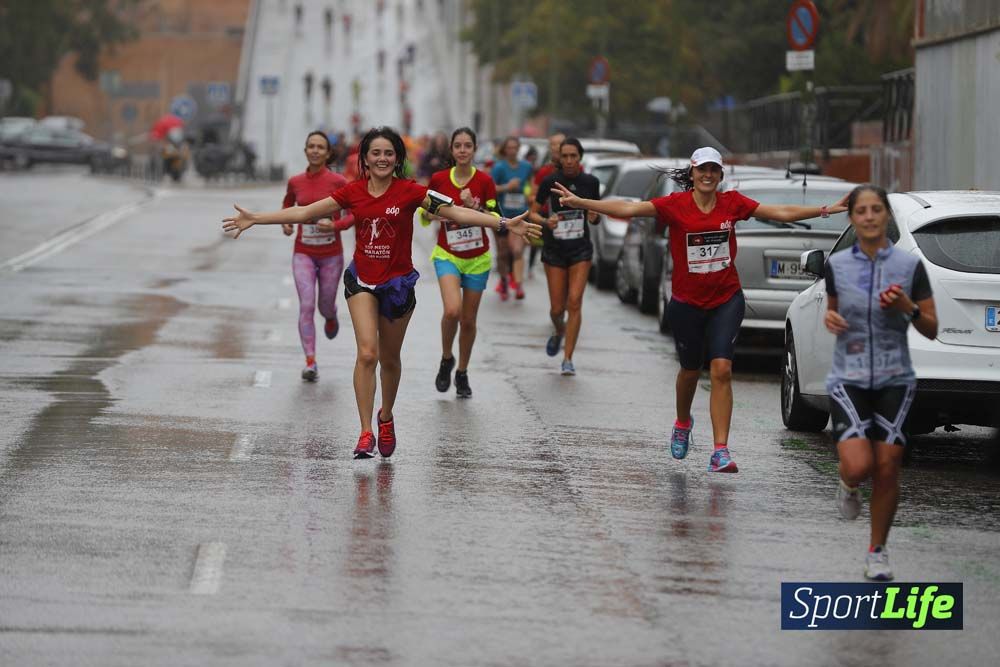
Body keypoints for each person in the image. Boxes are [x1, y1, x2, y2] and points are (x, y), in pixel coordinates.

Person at [223, 127, 541, 459]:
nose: (382, 159)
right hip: (361, 281)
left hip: (398, 285)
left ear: (397, 158)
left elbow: (455, 212)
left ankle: (385, 416)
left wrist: (503, 223)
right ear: (365, 158)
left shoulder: (411, 191)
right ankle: (365, 433)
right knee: (367, 354)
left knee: (389, 359)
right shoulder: (353, 191)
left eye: (389, 153)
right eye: (375, 153)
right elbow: (305, 212)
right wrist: (256, 218)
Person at [551, 146, 848, 472]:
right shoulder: (674, 205)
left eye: (713, 170)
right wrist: (582, 203)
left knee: (721, 369)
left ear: (720, 175)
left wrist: (826, 210)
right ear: (692, 174)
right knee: (690, 370)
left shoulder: (732, 203)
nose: (707, 175)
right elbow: (628, 208)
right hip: (686, 303)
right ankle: (682, 422)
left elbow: (779, 212)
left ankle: (720, 450)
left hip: (726, 300)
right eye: (702, 169)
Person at [824, 184, 937, 581]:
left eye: (876, 209)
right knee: (859, 466)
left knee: (888, 466)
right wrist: (830, 319)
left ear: (886, 215)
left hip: (895, 378)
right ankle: (848, 483)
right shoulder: (837, 265)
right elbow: (832, 313)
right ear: (852, 218)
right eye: (862, 211)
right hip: (849, 377)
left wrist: (907, 307)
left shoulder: (910, 267)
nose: (869, 217)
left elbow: (931, 328)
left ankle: (877, 551)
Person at [421, 127, 500, 398]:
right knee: (452, 311)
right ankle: (447, 358)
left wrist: (474, 206)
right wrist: (435, 215)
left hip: (478, 258)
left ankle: (462, 371)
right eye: (458, 146)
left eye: (468, 145)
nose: (463, 150)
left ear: (475, 149)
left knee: (468, 320)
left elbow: (496, 218)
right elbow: (423, 212)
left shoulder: (485, 181)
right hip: (448, 254)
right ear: (452, 150)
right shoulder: (439, 179)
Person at [280, 131, 352, 382]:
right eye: (311, 146)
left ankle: (330, 315)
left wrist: (335, 226)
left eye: (320, 147)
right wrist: (286, 223)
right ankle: (310, 361)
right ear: (305, 151)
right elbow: (287, 205)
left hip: (331, 255)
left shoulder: (339, 182)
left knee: (324, 305)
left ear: (328, 153)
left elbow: (353, 213)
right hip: (304, 252)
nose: (315, 150)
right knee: (307, 304)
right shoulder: (295, 181)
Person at [529, 137, 601, 376]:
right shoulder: (549, 181)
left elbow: (596, 215)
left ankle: (568, 358)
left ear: (580, 158)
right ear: (559, 158)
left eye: (573, 156)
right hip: (555, 250)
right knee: (557, 309)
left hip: (581, 250)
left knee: (575, 302)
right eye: (565, 156)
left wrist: (594, 216)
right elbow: (533, 213)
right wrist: (545, 221)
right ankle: (559, 330)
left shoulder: (591, 182)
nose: (569, 161)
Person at [491, 137, 534, 300]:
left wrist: (530, 195)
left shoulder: (526, 167)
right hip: (502, 215)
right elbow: (490, 189)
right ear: (504, 149)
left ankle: (518, 285)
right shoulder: (499, 167)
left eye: (515, 147)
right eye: (509, 148)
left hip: (520, 214)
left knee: (517, 251)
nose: (513, 151)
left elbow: (532, 186)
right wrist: (507, 187)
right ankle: (503, 281)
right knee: (503, 252)